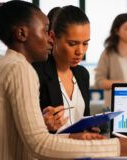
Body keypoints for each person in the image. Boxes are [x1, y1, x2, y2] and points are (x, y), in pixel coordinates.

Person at [0, 1, 127, 159]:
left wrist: (79, 136)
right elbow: (39, 144)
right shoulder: (21, 69)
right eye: (45, 31)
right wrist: (115, 146)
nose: (49, 39)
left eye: (85, 43)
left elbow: (23, 135)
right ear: (21, 33)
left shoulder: (4, 65)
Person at [32, 6, 96, 135]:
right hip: (53, 152)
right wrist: (43, 124)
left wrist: (91, 128)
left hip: (81, 151)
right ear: (52, 37)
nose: (80, 52)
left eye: (85, 43)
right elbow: (26, 128)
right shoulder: (35, 72)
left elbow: (85, 118)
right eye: (72, 44)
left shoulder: (82, 74)